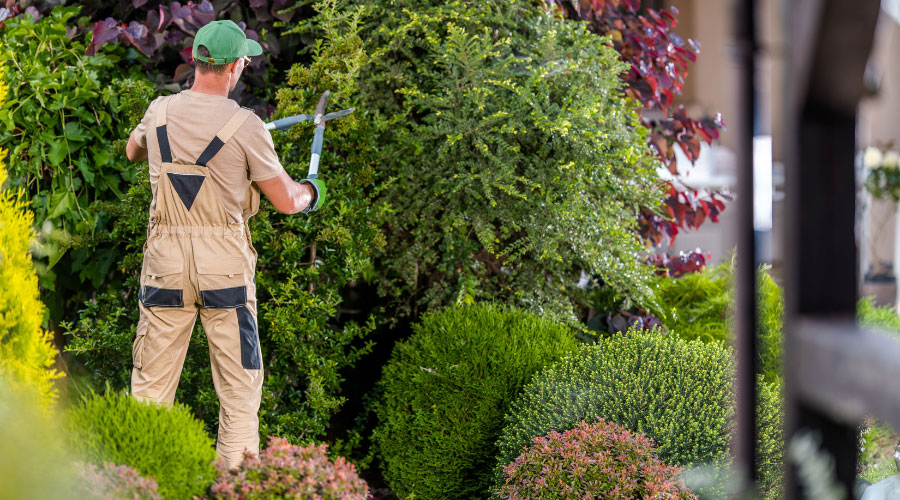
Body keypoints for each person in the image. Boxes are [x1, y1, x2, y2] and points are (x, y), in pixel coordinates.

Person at [124, 19, 325, 469]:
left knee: (150, 390)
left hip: (165, 265)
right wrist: (314, 190)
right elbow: (288, 202)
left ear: (195, 61)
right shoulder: (247, 125)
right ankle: (235, 487)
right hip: (225, 271)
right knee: (238, 391)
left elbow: (133, 152)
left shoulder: (158, 112)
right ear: (235, 67)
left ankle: (135, 484)